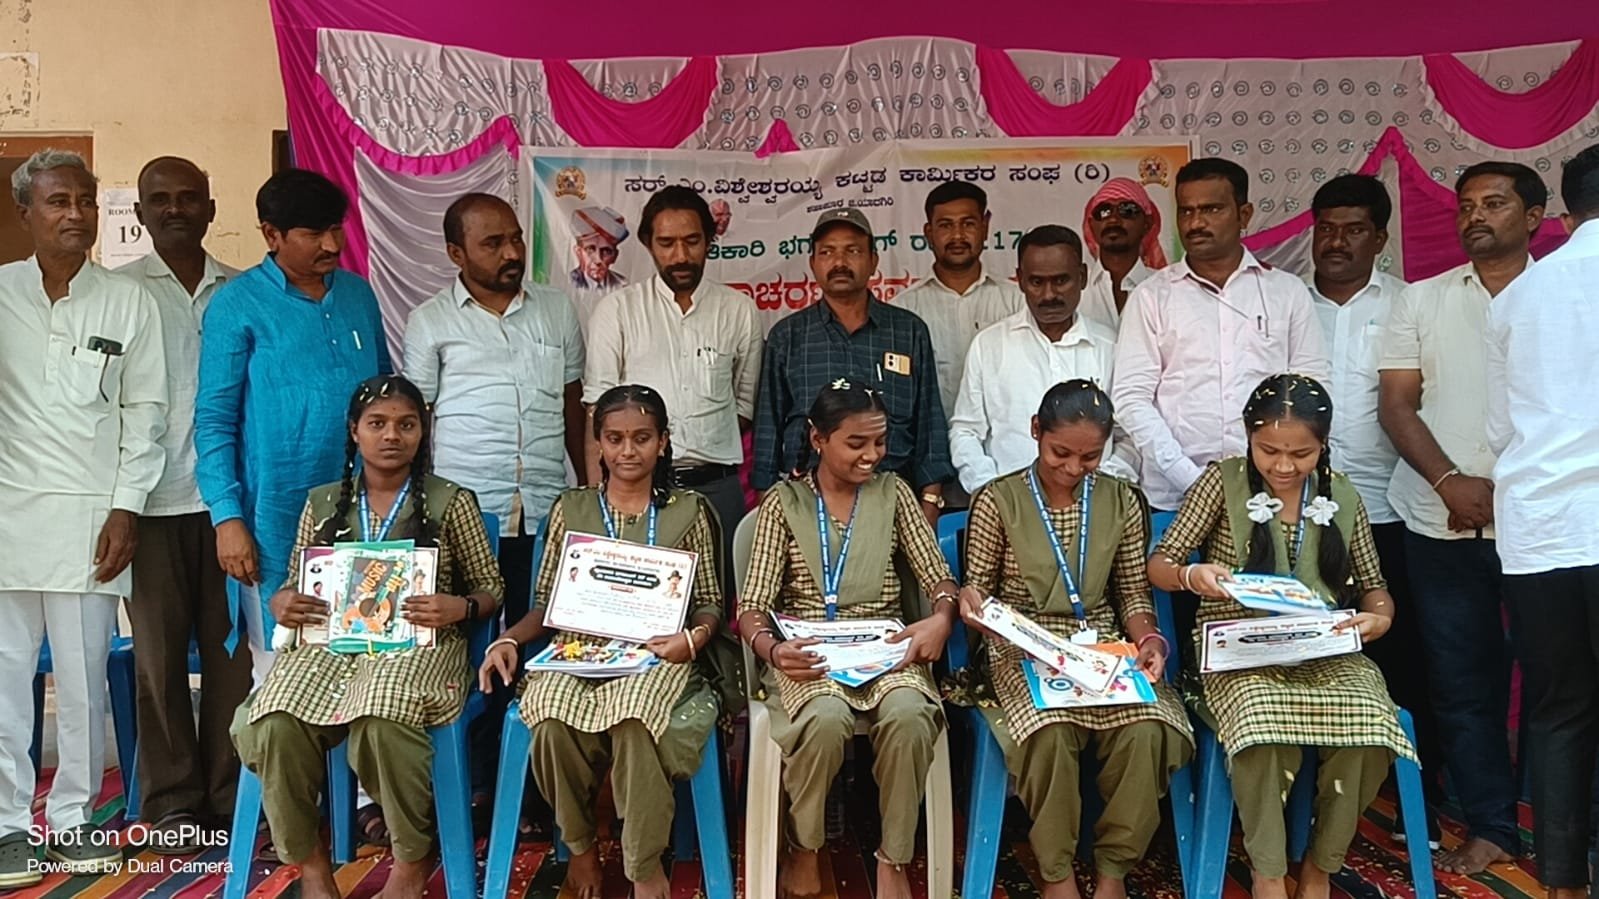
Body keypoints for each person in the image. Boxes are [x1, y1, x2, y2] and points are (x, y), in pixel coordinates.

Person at [232, 375, 503, 899]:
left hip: (420, 648)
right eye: (377, 424)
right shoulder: (323, 503)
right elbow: (294, 581)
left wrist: (463, 606)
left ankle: (411, 859)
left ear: (422, 432)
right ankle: (312, 866)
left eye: (406, 424)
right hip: (330, 650)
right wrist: (281, 601)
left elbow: (491, 586)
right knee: (271, 721)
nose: (391, 436)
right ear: (354, 432)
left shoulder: (451, 502)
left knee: (382, 717)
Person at [1148, 373, 1412, 899]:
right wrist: (1191, 576)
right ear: (1248, 437)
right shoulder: (1221, 482)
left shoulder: (1342, 494)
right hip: (1236, 652)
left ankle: (1320, 866)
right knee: (1261, 725)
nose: (1284, 466)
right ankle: (1268, 871)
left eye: (1301, 454)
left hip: (1322, 650)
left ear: (1324, 445)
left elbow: (1375, 588)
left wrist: (1378, 619)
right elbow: (1161, 562)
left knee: (1373, 725)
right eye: (1269, 451)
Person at [480, 384, 725, 899]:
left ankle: (643, 864)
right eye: (615, 439)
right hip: (579, 653)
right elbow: (547, 604)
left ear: (663, 441)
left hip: (657, 656)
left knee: (635, 720)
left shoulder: (688, 510)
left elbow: (709, 602)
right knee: (548, 717)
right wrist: (508, 639)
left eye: (642, 438)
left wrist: (693, 637)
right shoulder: (572, 509)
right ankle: (581, 848)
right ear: (598, 443)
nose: (628, 451)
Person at [0, 149, 168, 882]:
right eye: (58, 202)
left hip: (92, 522)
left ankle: (71, 819)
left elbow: (146, 414)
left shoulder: (127, 302)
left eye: (86, 202)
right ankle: (7, 826)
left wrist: (126, 507)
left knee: (83, 680)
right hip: (6, 519)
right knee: (5, 683)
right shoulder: (0, 294)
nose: (76, 214)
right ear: (25, 213)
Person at [957, 380, 1193, 899]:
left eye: (1089, 457)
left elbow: (1132, 592)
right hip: (1022, 644)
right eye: (1060, 452)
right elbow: (979, 591)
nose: (1071, 468)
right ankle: (1056, 871)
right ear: (1035, 431)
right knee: (1049, 733)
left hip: (1103, 642)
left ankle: (1113, 871)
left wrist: (1150, 641)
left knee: (1149, 729)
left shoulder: (1120, 499)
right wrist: (974, 608)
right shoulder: (998, 499)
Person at [1377, 160, 1545, 875]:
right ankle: (1491, 825)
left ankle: (1562, 821)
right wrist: (1448, 481)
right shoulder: (1421, 300)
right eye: (1466, 205)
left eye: (1494, 203)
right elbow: (1396, 406)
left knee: (1558, 682)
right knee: (1461, 683)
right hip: (1438, 520)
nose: (1475, 215)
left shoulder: (1560, 295)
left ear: (1534, 217)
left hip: (1542, 525)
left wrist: (1510, 492)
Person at [402, 192, 587, 817]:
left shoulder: (556, 310)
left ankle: (540, 788)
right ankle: (480, 785)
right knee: (472, 649)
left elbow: (573, 407)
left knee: (545, 642)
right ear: (456, 254)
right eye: (492, 243)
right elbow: (418, 422)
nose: (511, 252)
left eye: (515, 239)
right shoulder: (430, 321)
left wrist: (587, 494)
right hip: (467, 515)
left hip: (546, 507)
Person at [738, 380, 959, 899]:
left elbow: (937, 577)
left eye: (879, 442)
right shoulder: (785, 503)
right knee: (825, 718)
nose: (871, 455)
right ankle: (805, 845)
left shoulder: (894, 494)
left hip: (884, 648)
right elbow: (751, 607)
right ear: (818, 439)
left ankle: (893, 857)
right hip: (808, 653)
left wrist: (942, 617)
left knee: (910, 716)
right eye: (856, 443)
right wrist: (773, 650)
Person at [196, 167, 393, 682]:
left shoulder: (358, 296)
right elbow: (214, 422)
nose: (332, 244)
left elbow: (386, 396)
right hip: (274, 518)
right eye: (314, 233)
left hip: (364, 512)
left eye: (337, 228)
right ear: (272, 234)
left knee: (367, 659)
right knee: (282, 669)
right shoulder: (236, 305)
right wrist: (227, 518)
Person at [116, 156, 252, 848]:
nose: (175, 208)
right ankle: (172, 802)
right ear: (140, 212)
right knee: (159, 660)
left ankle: (230, 797)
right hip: (148, 504)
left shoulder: (242, 291)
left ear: (210, 208)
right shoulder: (117, 294)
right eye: (160, 199)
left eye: (188, 197)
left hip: (229, 505)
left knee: (233, 659)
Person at [1306, 173, 1443, 846]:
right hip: (1299, 514)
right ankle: (1308, 790)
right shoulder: (1285, 303)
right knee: (1306, 651)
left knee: (1401, 653)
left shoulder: (1408, 305)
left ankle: (1411, 793)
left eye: (1353, 229)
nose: (1337, 242)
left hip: (1387, 510)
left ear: (1380, 237)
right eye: (1326, 228)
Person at [1486, 144, 1599, 899]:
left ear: (1561, 214)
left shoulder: (1518, 297)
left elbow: (1500, 430)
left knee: (1559, 708)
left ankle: (1560, 883)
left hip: (1540, 529)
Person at [1113, 157, 1328, 513]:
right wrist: (1191, 480)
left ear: (1244, 215)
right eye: (1186, 211)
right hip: (1175, 497)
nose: (1196, 223)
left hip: (1271, 494)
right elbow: (1131, 399)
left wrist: (1277, 469)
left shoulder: (1285, 292)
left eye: (1212, 209)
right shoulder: (1151, 296)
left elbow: (1312, 391)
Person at [584, 185, 762, 586]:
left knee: (718, 607)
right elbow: (598, 413)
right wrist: (599, 499)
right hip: (636, 491)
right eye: (666, 243)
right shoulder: (617, 311)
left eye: (692, 241)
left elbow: (743, 407)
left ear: (710, 240)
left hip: (718, 490)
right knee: (637, 603)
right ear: (648, 244)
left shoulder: (739, 311)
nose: (680, 255)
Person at [754, 208, 954, 525]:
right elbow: (768, 428)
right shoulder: (788, 336)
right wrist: (768, 507)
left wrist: (929, 503)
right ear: (812, 263)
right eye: (827, 252)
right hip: (807, 504)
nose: (840, 262)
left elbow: (929, 422)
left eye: (853, 251)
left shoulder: (908, 331)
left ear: (873, 261)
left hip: (893, 500)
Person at [949, 225, 1133, 494]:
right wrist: (991, 490)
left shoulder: (1112, 346)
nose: (1049, 295)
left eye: (1061, 281)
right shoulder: (989, 345)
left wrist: (1103, 486)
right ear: (1020, 280)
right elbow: (966, 431)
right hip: (1009, 505)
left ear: (1082, 277)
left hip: (1096, 504)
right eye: (1037, 282)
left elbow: (1129, 436)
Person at [893, 180, 1025, 423]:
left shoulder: (1017, 302)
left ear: (985, 227)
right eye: (945, 225)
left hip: (1002, 439)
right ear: (928, 233)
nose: (957, 236)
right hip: (930, 441)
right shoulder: (903, 309)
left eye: (968, 224)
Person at [1079, 178, 1168, 329]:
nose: (1113, 219)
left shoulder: (1165, 289)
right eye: (1104, 212)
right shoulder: (1076, 289)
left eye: (1127, 211)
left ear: (1147, 224)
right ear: (1092, 225)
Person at [569, 205, 629, 293]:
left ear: (615, 256)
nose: (598, 260)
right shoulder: (568, 281)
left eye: (606, 251)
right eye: (590, 250)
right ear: (579, 252)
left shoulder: (622, 284)